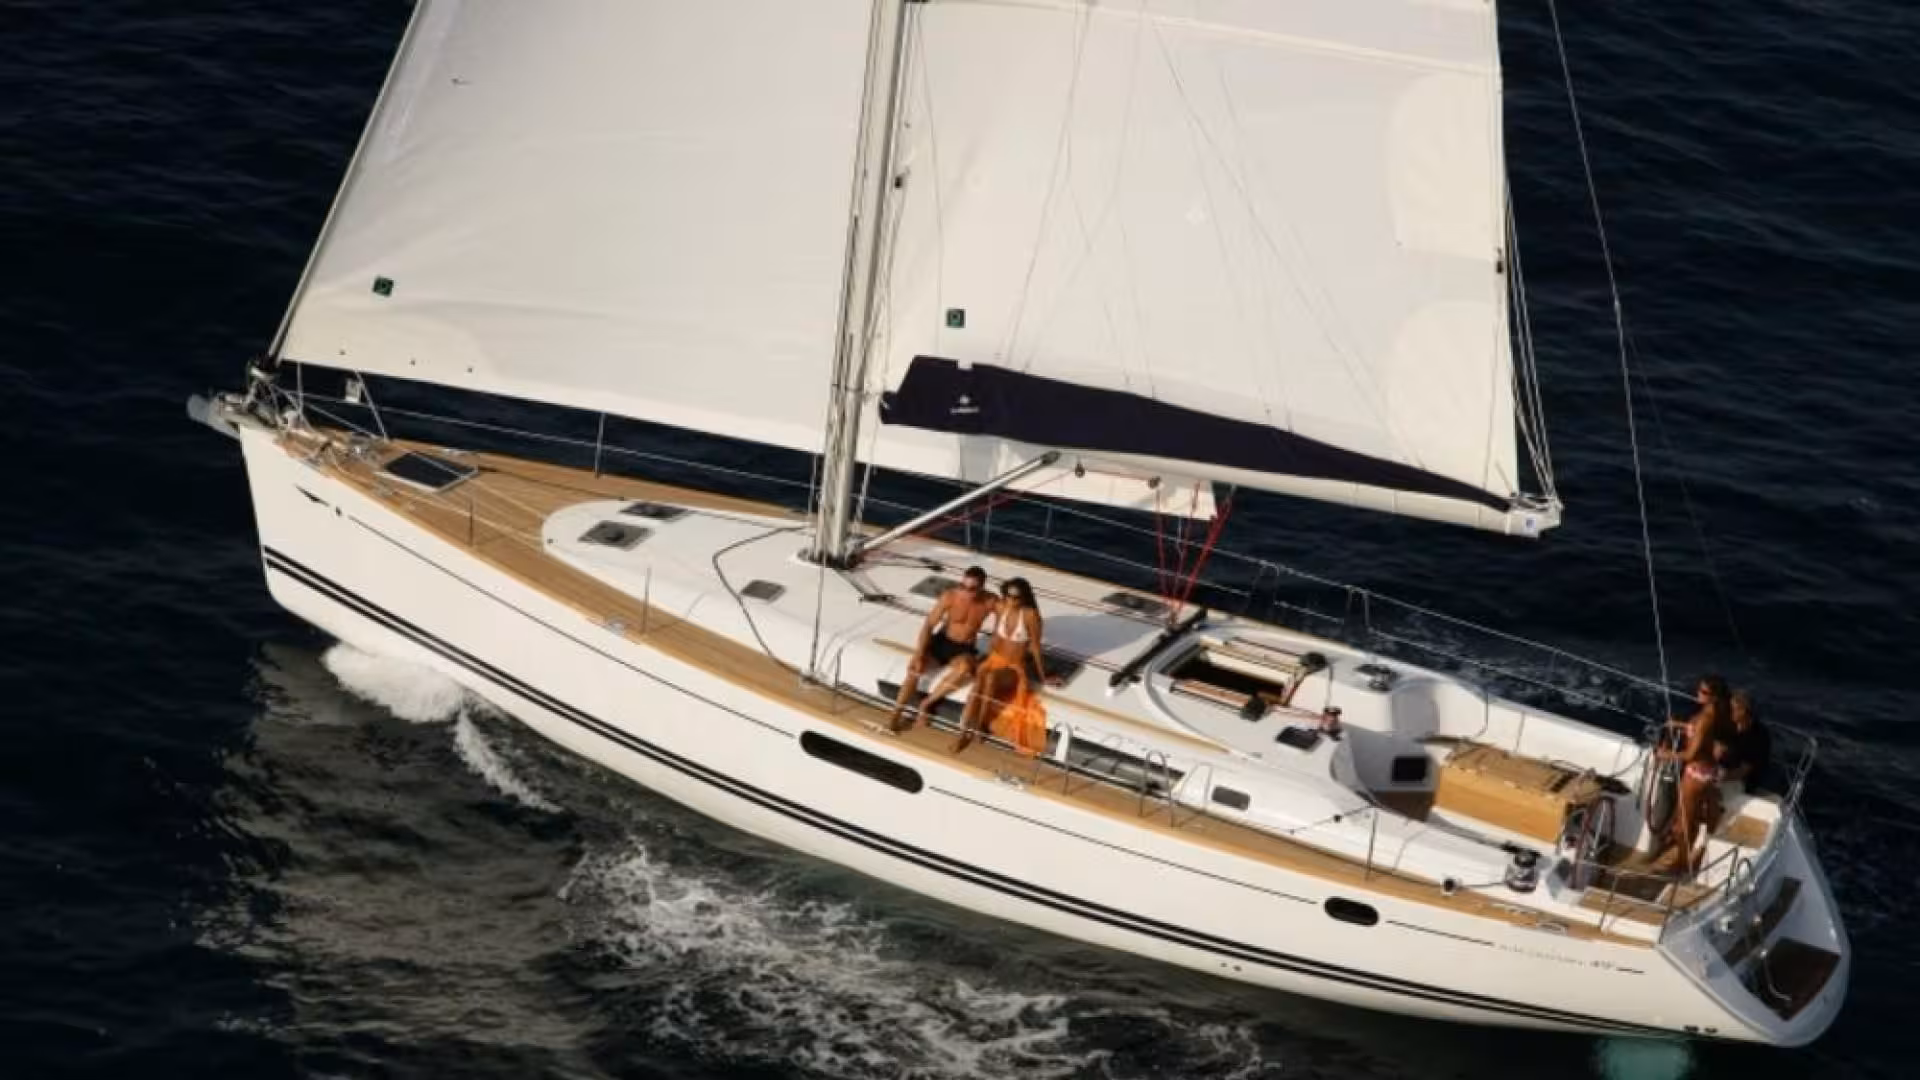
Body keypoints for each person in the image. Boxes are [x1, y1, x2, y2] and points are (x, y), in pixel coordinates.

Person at [953, 577, 1060, 754]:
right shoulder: (1001, 607)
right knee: (978, 683)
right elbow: (979, 600)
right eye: (1008, 596)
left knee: (990, 678)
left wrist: (1043, 676)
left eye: (1016, 597)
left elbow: (1035, 647)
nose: (1012, 600)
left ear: (1025, 597)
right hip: (994, 659)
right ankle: (963, 731)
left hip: (1013, 667)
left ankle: (979, 726)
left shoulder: (1030, 616)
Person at [888, 566, 997, 733]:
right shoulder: (950, 597)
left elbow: (1009, 618)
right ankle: (895, 715)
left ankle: (926, 703)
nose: (966, 591)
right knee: (915, 670)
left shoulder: (990, 601)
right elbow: (929, 625)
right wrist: (919, 653)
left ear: (982, 587)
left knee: (966, 668)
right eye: (963, 586)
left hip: (964, 647)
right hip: (942, 642)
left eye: (972, 588)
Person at [1653, 674, 1732, 871]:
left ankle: (1682, 862)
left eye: (1703, 691)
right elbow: (1701, 735)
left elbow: (1691, 753)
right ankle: (1691, 853)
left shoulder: (1706, 718)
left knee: (1684, 822)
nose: (1698, 693)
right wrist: (1680, 725)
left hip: (1696, 774)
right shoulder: (1714, 712)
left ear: (1713, 696)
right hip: (1707, 772)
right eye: (1699, 689)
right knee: (1693, 816)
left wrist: (1666, 754)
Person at [1716, 689, 1772, 793]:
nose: (1729, 712)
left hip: (1742, 780)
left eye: (1732, 709)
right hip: (1723, 769)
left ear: (1743, 711)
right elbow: (1718, 748)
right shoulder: (1730, 724)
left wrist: (1716, 778)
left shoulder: (1758, 737)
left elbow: (1743, 771)